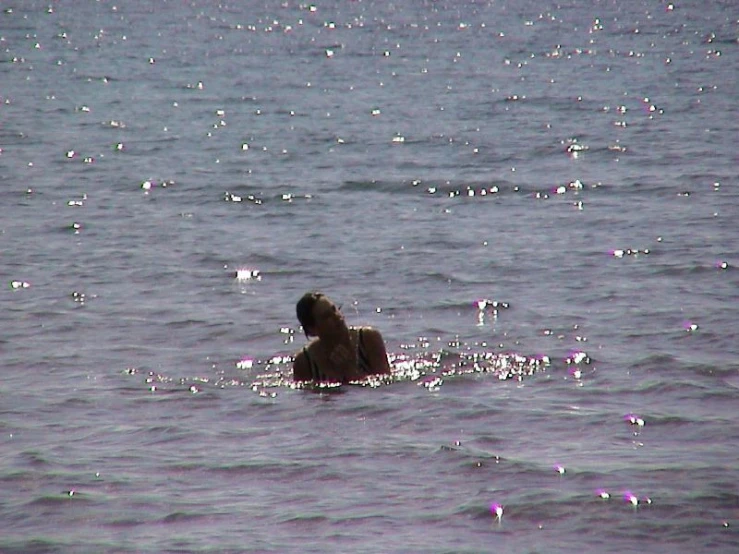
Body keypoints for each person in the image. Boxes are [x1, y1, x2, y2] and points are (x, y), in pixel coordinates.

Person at [293, 292, 391, 383]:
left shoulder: (368, 339)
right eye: (327, 316)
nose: (336, 316)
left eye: (334, 309)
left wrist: (349, 370)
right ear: (312, 330)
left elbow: (384, 386)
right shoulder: (305, 361)